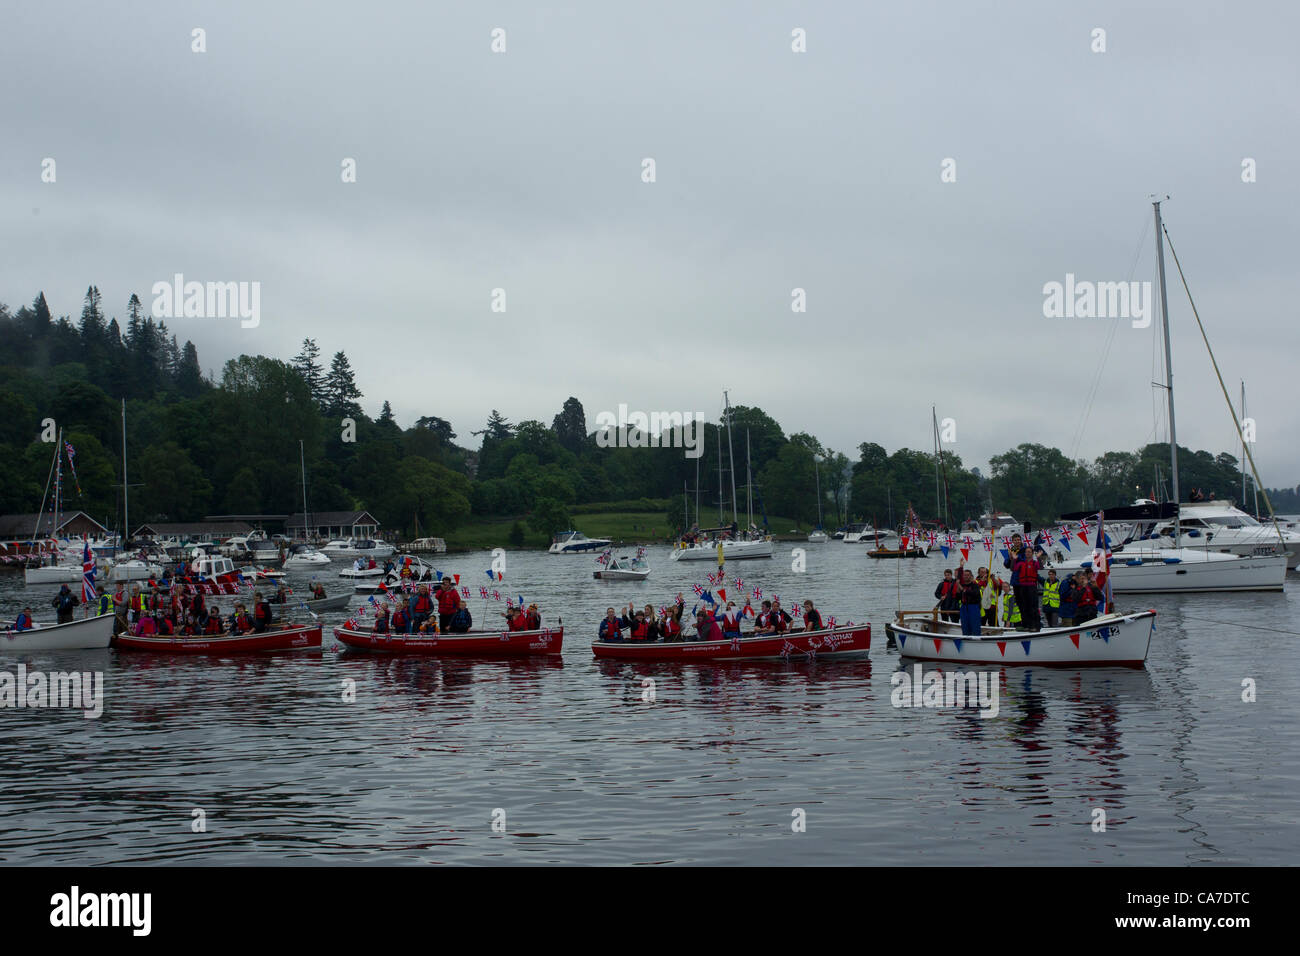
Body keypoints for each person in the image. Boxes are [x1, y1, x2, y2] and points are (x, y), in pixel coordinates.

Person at [1006, 536, 1042, 631]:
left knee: (1032, 606)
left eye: (1019, 540)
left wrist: (1038, 558)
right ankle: (1026, 624)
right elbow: (1010, 566)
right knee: (1022, 605)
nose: (1017, 541)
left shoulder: (1032, 561)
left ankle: (1035, 625)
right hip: (1019, 584)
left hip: (1030, 585)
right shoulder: (1012, 552)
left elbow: (1040, 567)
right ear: (1012, 541)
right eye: (1015, 540)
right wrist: (1012, 558)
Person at [959, 568, 983, 636]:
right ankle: (966, 637)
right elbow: (958, 595)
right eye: (964, 575)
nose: (966, 576)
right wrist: (961, 567)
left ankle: (976, 639)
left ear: (971, 576)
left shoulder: (975, 585)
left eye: (967, 575)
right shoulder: (962, 585)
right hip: (964, 607)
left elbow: (974, 593)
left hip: (973, 607)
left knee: (975, 626)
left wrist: (964, 590)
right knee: (965, 626)